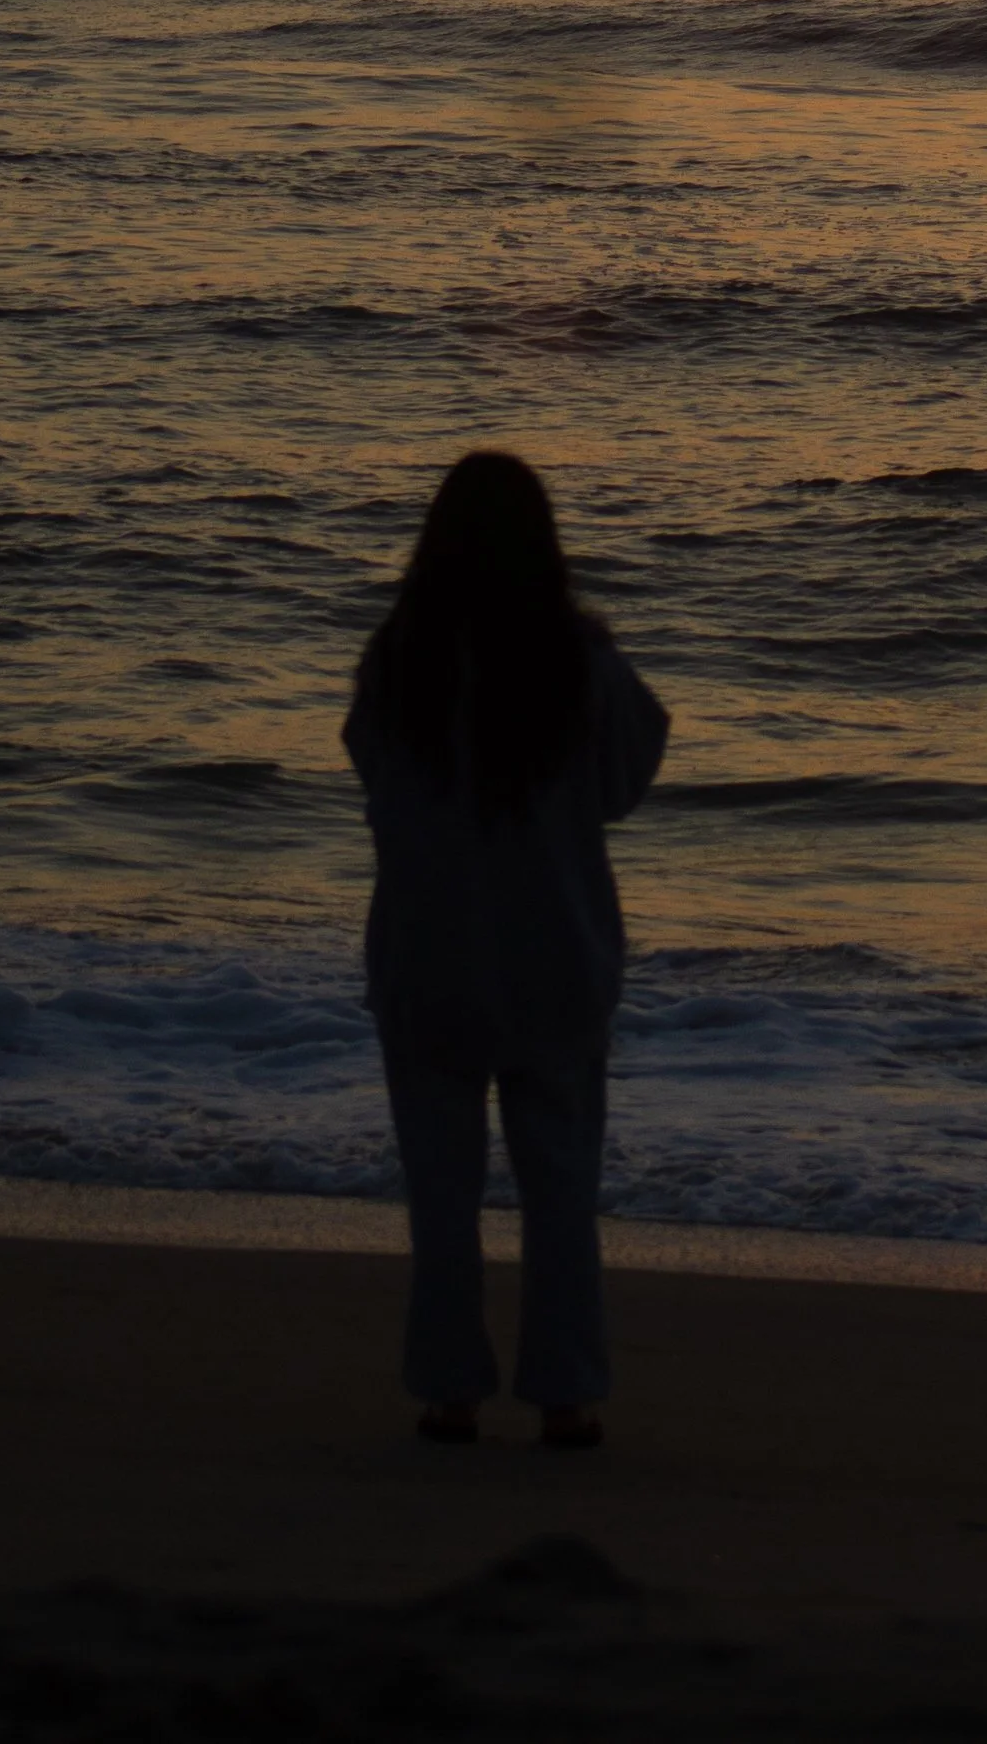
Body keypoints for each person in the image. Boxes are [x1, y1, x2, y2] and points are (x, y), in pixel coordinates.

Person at [344, 450, 669, 1448]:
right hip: (555, 956)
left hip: (430, 955)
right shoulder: (583, 669)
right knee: (560, 1188)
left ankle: (450, 1392)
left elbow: (375, 791)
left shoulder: (398, 665)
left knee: (441, 1193)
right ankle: (565, 1394)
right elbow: (627, 777)